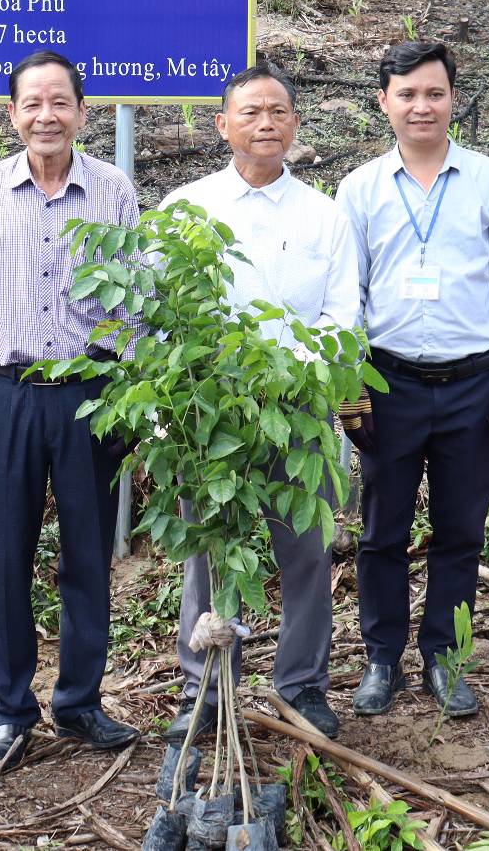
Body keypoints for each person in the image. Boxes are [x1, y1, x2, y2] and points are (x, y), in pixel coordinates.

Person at [0, 50, 141, 767]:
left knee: (88, 553)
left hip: (92, 395)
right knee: (6, 557)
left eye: (60, 102)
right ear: (13, 114)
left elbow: (133, 297)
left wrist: (125, 385)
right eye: (33, 103)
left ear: (83, 113)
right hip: (9, 394)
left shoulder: (114, 188)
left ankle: (81, 702)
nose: (46, 115)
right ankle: (10, 708)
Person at [334, 39, 489, 719]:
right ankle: (382, 658)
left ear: (454, 98)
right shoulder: (359, 188)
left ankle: (444, 658)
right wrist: (348, 378)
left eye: (436, 92)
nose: (422, 105)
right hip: (387, 382)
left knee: (460, 529)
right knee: (381, 529)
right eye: (408, 93)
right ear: (383, 100)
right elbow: (347, 293)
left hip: (472, 384)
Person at [160, 63, 361, 741]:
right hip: (208, 419)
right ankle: (205, 690)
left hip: (295, 412)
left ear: (296, 124)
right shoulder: (186, 209)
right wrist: (175, 407)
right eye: (250, 112)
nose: (265, 123)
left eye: (278, 111)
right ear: (223, 125)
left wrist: (288, 378)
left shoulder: (325, 215)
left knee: (305, 553)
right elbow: (164, 320)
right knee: (209, 554)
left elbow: (341, 319)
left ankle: (301, 685)